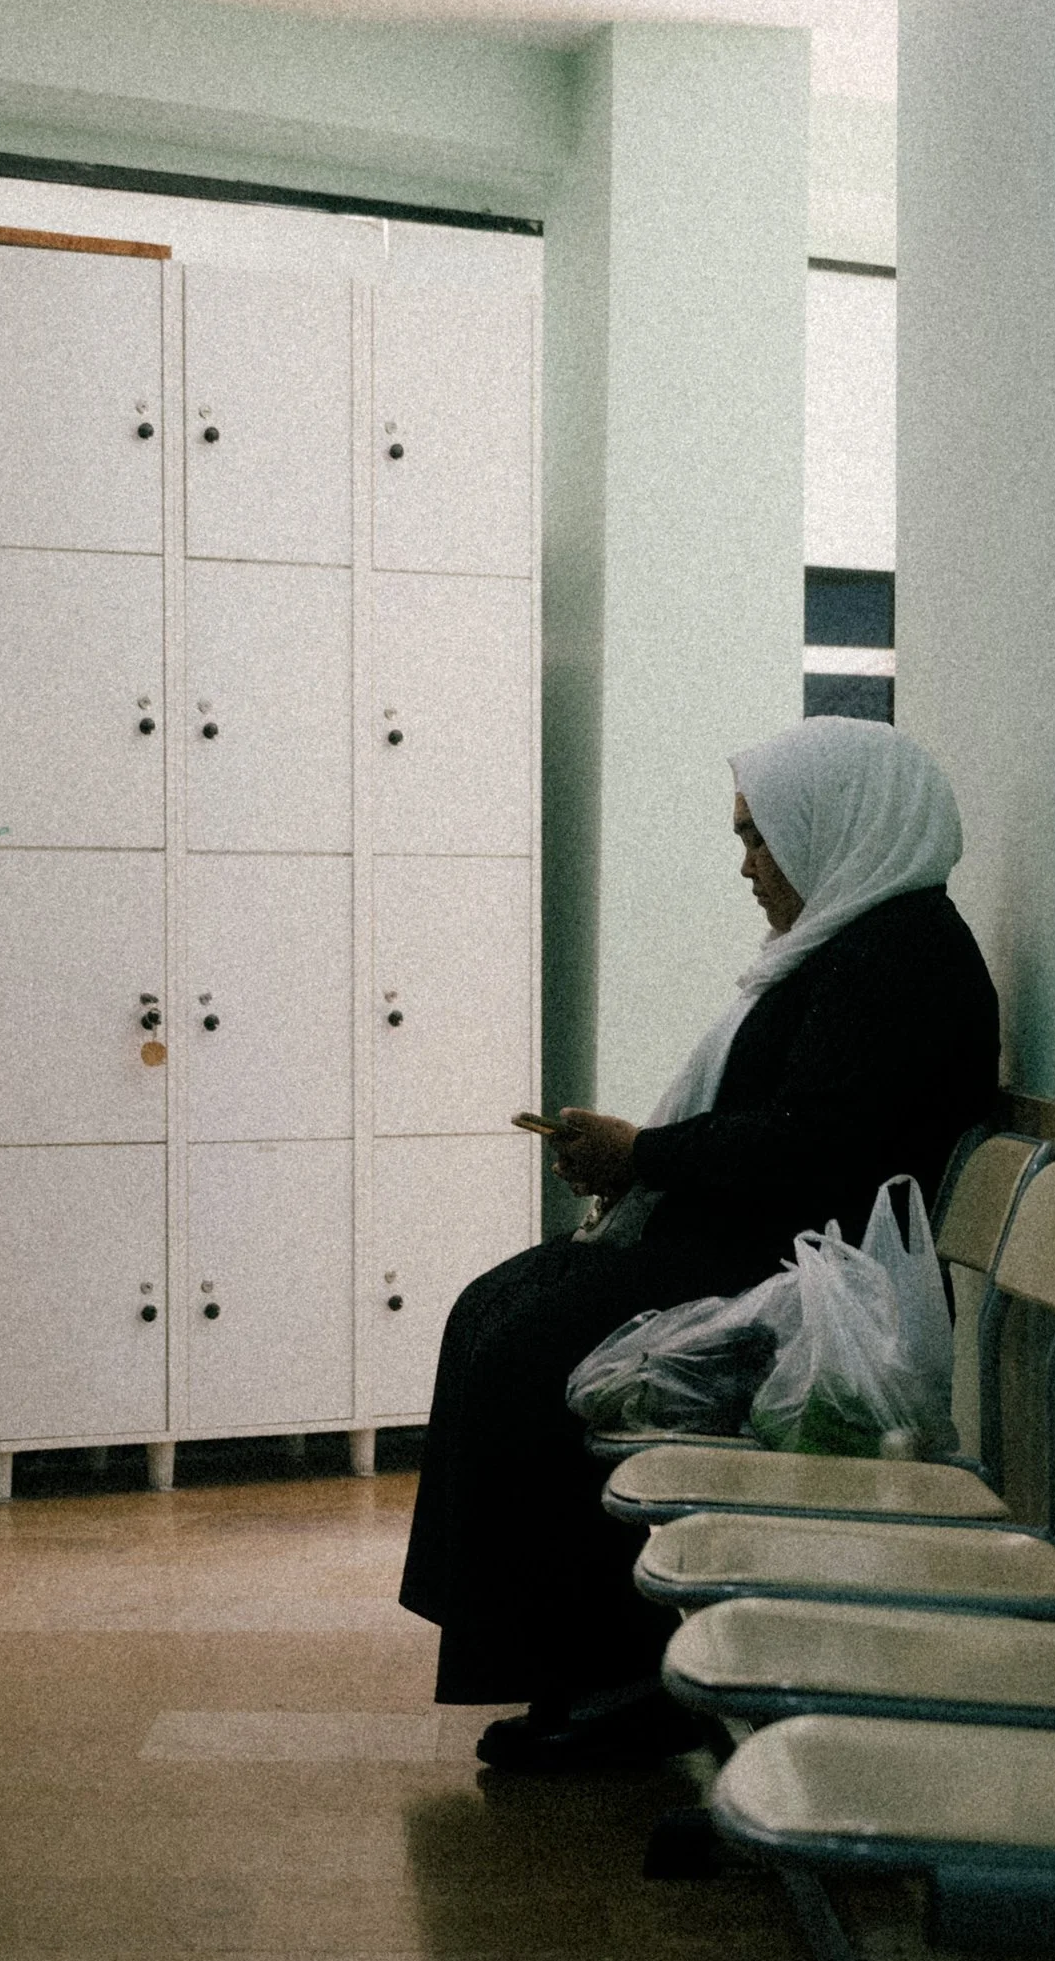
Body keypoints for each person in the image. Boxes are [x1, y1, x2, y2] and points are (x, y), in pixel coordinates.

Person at [399, 714, 1000, 1772]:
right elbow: (789, 1129)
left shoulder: (896, 958)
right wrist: (642, 1161)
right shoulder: (851, 945)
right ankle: (578, 1664)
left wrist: (646, 1154)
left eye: (760, 838)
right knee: (496, 1308)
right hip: (764, 1250)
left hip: (802, 1276)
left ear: (836, 825)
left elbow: (813, 1146)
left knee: (531, 1354)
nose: (747, 867)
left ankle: (619, 1676)